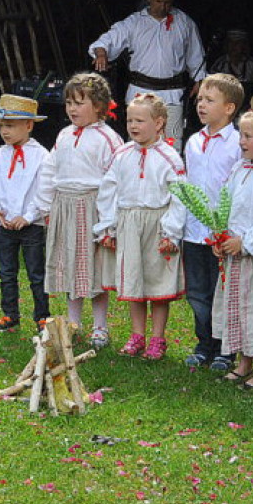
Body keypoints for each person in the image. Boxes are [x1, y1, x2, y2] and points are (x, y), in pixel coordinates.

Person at [96, 92, 186, 360]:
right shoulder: (121, 154)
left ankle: (158, 338)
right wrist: (108, 227)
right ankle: (137, 335)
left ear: (158, 123)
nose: (133, 126)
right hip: (129, 224)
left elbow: (180, 197)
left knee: (158, 284)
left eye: (140, 120)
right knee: (134, 282)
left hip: (157, 226)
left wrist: (171, 231)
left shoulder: (170, 158)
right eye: (129, 120)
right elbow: (108, 191)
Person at [36, 72, 123, 348]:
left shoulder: (108, 139)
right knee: (70, 265)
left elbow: (115, 179)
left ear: (98, 106)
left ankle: (100, 325)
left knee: (92, 270)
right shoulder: (63, 135)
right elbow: (50, 168)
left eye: (79, 103)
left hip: (91, 208)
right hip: (64, 205)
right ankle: (73, 323)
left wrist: (109, 220)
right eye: (69, 103)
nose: (72, 109)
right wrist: (45, 203)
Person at [90, 0, 206, 145]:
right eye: (159, 1)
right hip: (140, 92)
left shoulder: (184, 22)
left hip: (172, 94)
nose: (163, 6)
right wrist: (101, 52)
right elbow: (107, 40)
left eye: (167, 3)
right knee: (138, 141)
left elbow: (196, 54)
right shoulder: (134, 22)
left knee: (172, 143)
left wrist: (199, 79)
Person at [212, 112, 253, 388]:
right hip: (233, 253)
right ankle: (243, 360)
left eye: (248, 136)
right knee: (236, 307)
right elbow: (225, 202)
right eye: (241, 135)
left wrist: (246, 242)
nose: (241, 141)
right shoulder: (239, 169)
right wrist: (220, 233)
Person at [181, 74, 243, 369]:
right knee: (197, 292)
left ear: (229, 108)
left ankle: (226, 348)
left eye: (209, 100)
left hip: (222, 234)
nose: (201, 105)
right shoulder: (193, 141)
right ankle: (204, 342)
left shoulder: (236, 143)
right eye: (200, 99)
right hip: (194, 231)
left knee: (223, 292)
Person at [0, 95, 51, 332]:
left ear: (29, 125)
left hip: (31, 225)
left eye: (11, 125)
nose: (5, 131)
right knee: (7, 272)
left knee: (36, 272)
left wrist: (29, 215)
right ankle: (10, 314)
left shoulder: (41, 155)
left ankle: (42, 315)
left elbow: (44, 189)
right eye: (2, 125)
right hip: (5, 224)